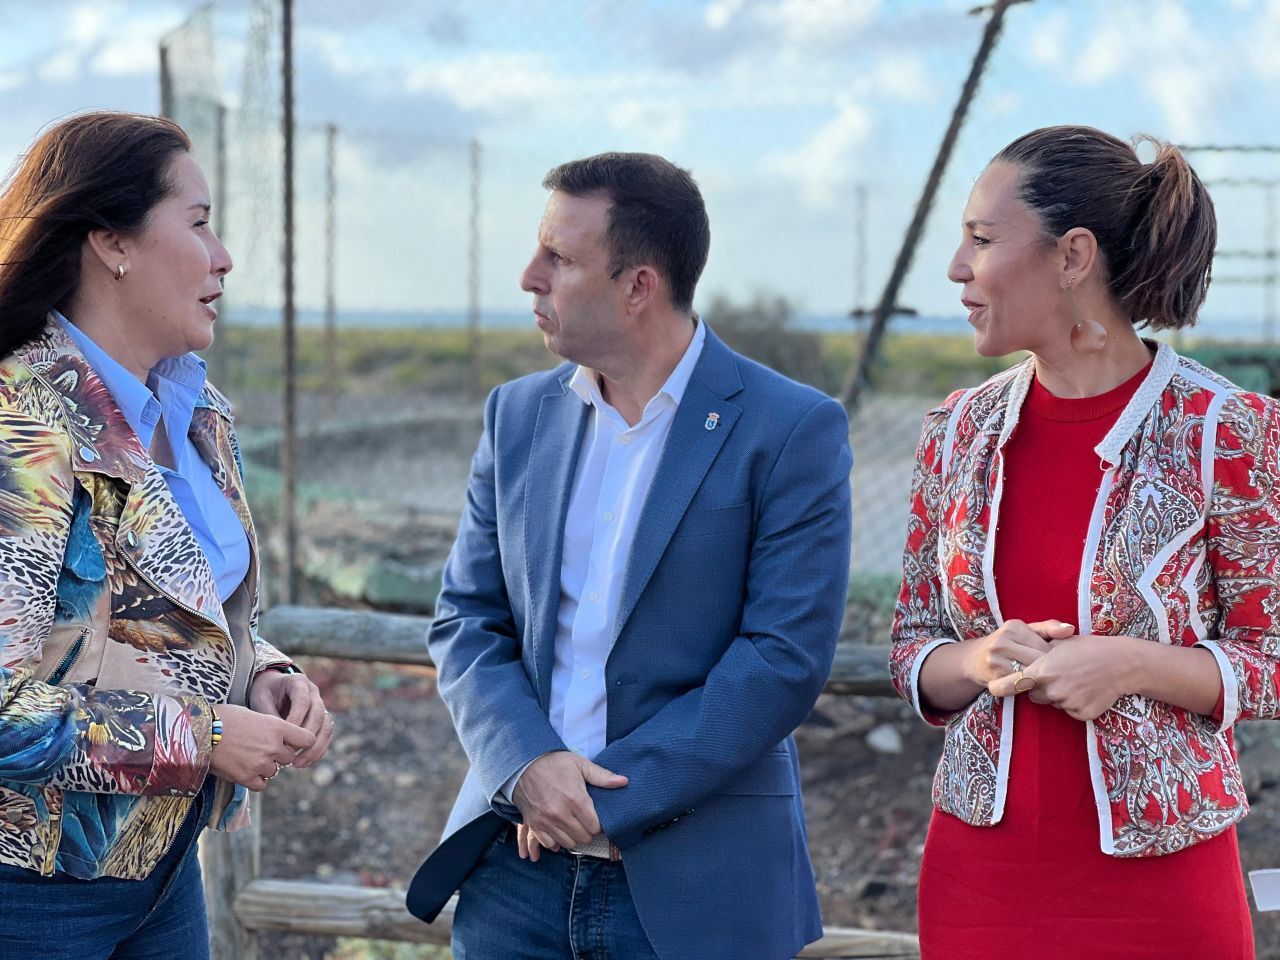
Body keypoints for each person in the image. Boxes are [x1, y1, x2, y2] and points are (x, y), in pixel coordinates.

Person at [405, 152, 853, 959]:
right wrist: (528, 765)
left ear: (638, 286)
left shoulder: (791, 428)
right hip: (514, 879)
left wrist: (592, 801)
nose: (529, 276)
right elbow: (467, 619)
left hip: (697, 890)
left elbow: (782, 658)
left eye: (559, 258)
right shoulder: (516, 415)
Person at [890, 124, 1276, 960]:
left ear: (1072, 256)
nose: (956, 267)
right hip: (979, 880)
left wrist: (1131, 664)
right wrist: (975, 659)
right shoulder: (955, 430)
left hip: (1166, 884)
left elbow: (1271, 657)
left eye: (981, 239)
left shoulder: (1230, 430)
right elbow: (913, 643)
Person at [0, 111, 334, 958]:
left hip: (163, 866)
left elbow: (180, 609)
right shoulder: (21, 424)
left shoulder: (194, 409)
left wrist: (265, 672)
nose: (223, 256)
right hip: (31, 892)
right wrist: (206, 737)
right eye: (199, 223)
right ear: (112, 241)